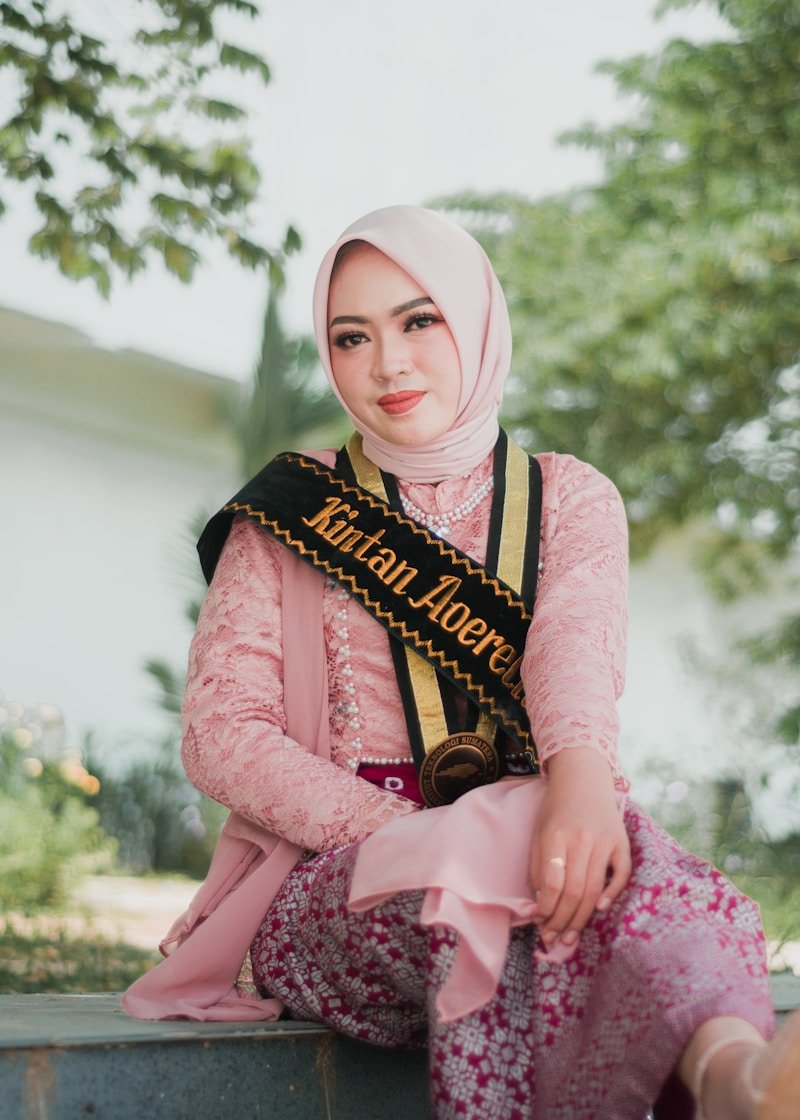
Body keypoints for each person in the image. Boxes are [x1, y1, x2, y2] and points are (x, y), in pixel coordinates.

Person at [123, 205, 800, 1120]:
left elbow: (573, 647)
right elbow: (220, 737)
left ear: (476, 320)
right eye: (351, 336)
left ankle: (739, 1080)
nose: (389, 363)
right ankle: (725, 1076)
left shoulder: (569, 495)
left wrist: (579, 785)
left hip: (548, 829)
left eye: (419, 320)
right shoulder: (289, 511)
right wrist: (423, 831)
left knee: (584, 867)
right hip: (332, 883)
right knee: (493, 882)